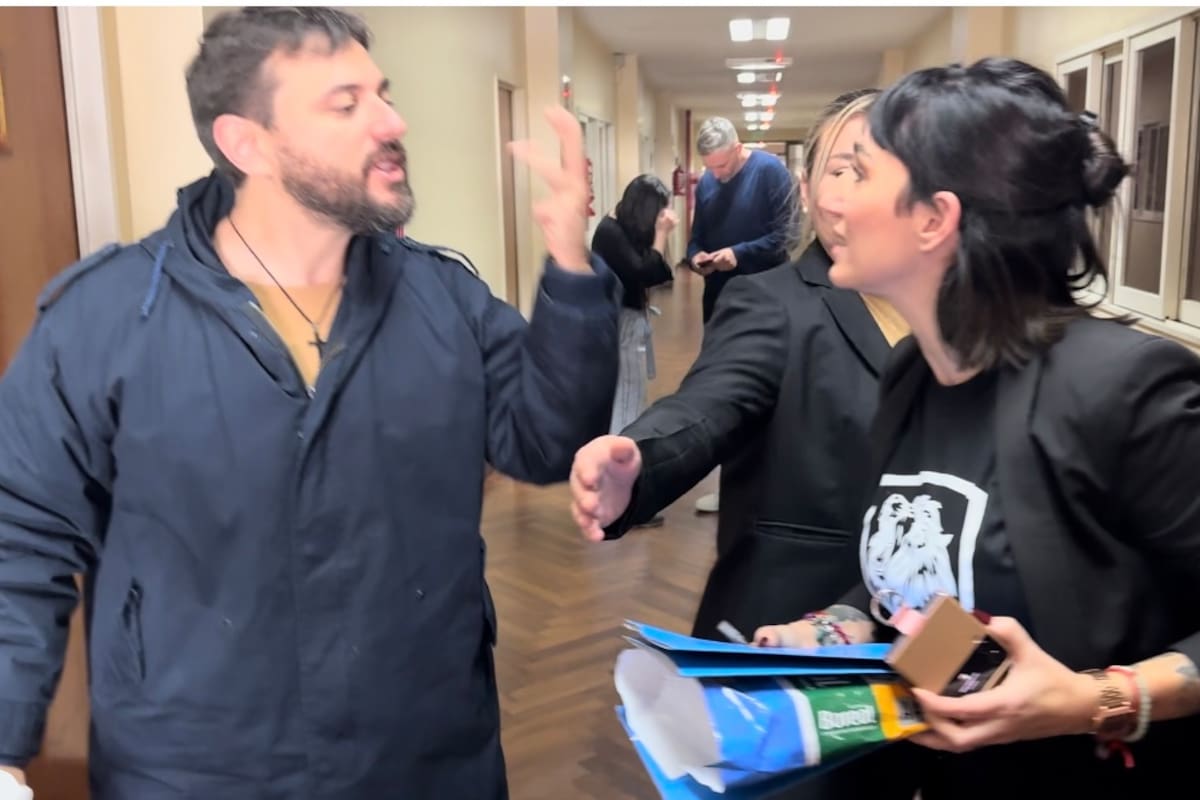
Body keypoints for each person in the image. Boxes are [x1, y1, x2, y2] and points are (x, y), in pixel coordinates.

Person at [0, 7, 618, 799]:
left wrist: (570, 259)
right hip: (194, 765)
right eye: (346, 102)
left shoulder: (445, 300)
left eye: (383, 93)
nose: (393, 121)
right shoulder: (108, 316)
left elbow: (545, 439)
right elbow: (20, 534)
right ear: (246, 143)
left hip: (425, 751)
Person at [754, 57, 1200, 797]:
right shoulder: (913, 375)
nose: (829, 201)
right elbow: (952, 599)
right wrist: (845, 626)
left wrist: (1099, 701)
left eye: (857, 174)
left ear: (935, 219)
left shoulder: (1123, 388)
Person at [569, 90, 916, 797]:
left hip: (942, 665)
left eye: (876, 170)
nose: (850, 194)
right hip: (794, 663)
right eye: (837, 170)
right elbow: (709, 405)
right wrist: (638, 461)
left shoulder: (969, 319)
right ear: (809, 186)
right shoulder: (777, 302)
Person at [686, 116, 797, 515]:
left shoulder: (769, 172)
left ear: (738, 148)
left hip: (765, 294)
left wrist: (740, 253)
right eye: (710, 167)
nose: (717, 174)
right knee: (723, 389)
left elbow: (787, 234)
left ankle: (771, 482)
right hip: (720, 296)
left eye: (723, 165)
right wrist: (695, 256)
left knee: (767, 388)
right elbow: (697, 234)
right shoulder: (711, 180)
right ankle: (731, 483)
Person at [591, 174, 677, 436]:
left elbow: (660, 273)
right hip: (620, 319)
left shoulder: (621, 227)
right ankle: (621, 448)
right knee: (627, 389)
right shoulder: (610, 232)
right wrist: (661, 235)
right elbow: (647, 273)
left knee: (630, 388)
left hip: (623, 316)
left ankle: (625, 442)